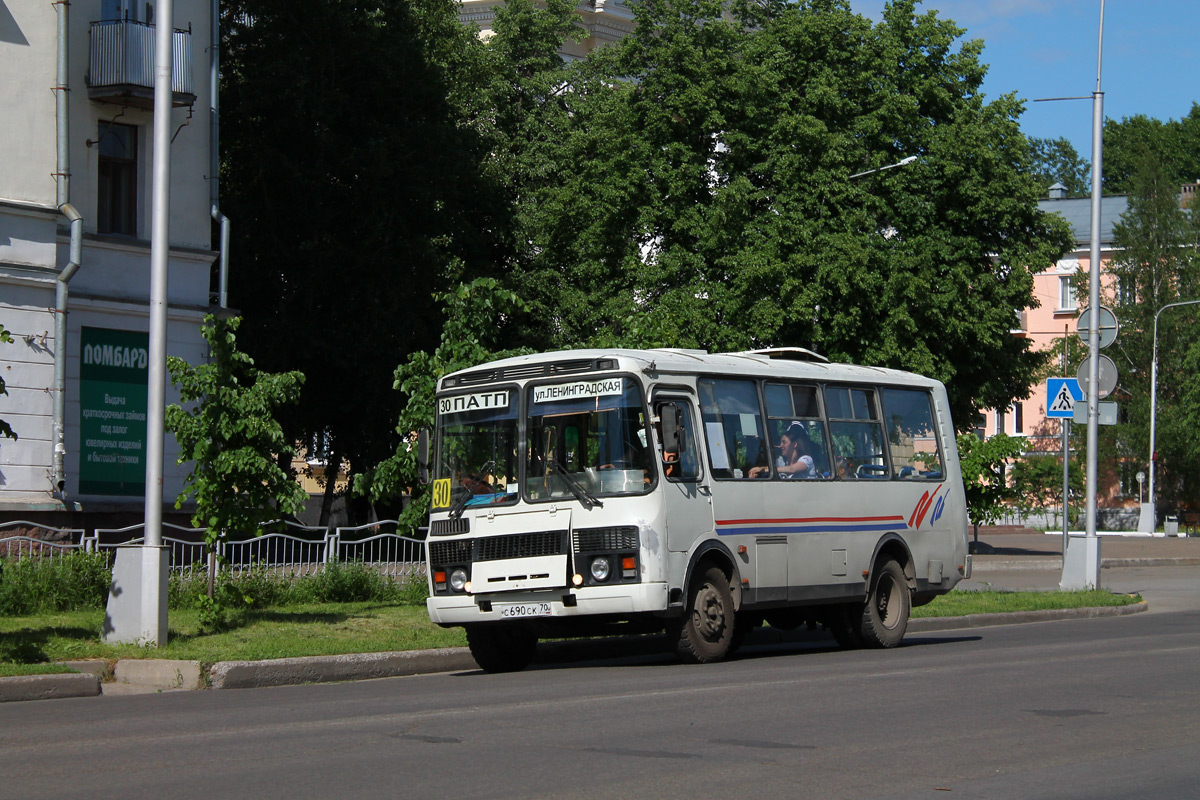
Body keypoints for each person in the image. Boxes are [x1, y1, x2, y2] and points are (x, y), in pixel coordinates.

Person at [750, 422, 816, 479]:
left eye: (784, 442)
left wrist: (764, 470)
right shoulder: (781, 462)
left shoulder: (807, 459)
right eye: (780, 443)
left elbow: (792, 469)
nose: (780, 446)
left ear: (795, 444)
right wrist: (756, 473)